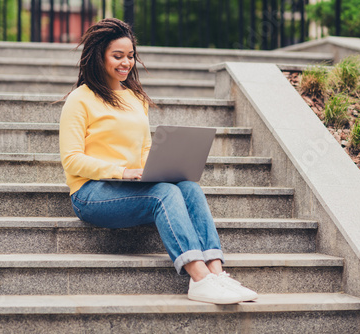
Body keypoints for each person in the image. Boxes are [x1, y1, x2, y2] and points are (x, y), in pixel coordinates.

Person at [59, 18, 257, 304]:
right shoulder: (80, 100)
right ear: (98, 55)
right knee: (164, 194)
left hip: (128, 186)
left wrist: (158, 169)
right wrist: (122, 172)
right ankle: (199, 279)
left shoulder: (135, 98)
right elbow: (72, 160)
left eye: (130, 56)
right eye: (117, 56)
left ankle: (216, 273)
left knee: (188, 187)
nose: (126, 63)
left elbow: (144, 148)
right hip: (91, 194)